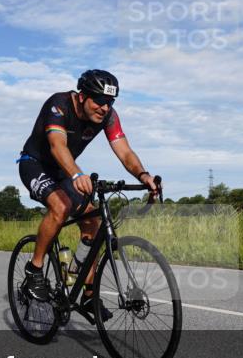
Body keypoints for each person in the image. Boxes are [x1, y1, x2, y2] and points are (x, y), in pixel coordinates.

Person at [17, 69, 158, 312]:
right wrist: (77, 174)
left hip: (64, 171)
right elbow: (56, 144)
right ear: (82, 96)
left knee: (93, 222)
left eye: (110, 102)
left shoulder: (108, 117)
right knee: (60, 207)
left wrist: (143, 175)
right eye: (100, 101)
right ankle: (35, 270)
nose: (105, 108)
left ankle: (87, 292)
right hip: (36, 164)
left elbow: (125, 152)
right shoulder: (59, 104)